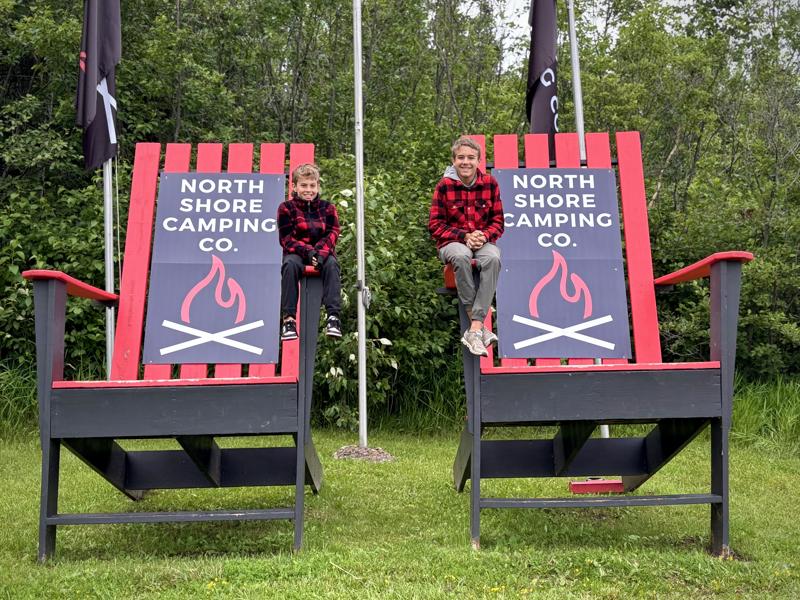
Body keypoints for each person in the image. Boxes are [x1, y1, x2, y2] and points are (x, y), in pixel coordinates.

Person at [429, 136, 504, 356]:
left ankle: (474, 329)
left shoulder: (490, 183)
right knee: (461, 256)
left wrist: (483, 235)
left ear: (478, 160)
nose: (465, 162)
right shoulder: (444, 186)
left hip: (483, 241)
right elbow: (434, 225)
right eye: (461, 157)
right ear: (453, 160)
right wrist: (465, 236)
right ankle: (479, 325)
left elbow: (499, 221)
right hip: (452, 243)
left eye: (471, 157)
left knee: (493, 258)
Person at [277, 163, 342, 340]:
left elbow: (333, 232)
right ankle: (289, 320)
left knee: (332, 265)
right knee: (289, 264)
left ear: (317, 186)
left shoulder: (328, 208)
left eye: (312, 185)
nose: (308, 190)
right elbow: (286, 239)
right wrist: (309, 253)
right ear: (295, 187)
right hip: (298, 254)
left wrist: (320, 253)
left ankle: (333, 317)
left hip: (323, 254)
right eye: (304, 185)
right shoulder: (286, 208)